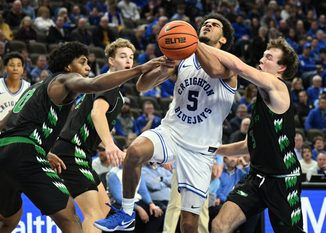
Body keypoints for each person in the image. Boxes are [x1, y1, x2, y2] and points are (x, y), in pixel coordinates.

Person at [94, 13, 236, 233]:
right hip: (172, 132)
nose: (207, 25)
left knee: (189, 225)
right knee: (134, 152)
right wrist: (162, 68)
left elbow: (215, 70)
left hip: (200, 149)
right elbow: (142, 86)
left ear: (224, 39)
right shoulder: (183, 59)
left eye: (215, 25)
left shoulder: (229, 64)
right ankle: (126, 214)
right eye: (205, 23)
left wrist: (192, 41)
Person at [0, 41, 163, 233]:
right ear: (68, 66)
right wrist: (140, 69)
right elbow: (94, 88)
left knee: (9, 219)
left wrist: (45, 151)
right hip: (35, 152)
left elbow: (4, 126)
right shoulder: (65, 79)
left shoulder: (33, 88)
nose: (87, 67)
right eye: (83, 62)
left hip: (8, 150)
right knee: (71, 217)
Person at [196, 37, 304, 232]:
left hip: (283, 180)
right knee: (220, 225)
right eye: (263, 55)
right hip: (256, 177)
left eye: (269, 57)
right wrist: (212, 149)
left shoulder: (277, 86)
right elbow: (247, 145)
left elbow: (239, 66)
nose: (262, 60)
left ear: (281, 68)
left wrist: (198, 45)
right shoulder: (262, 97)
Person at [48, 38, 137, 233]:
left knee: (105, 211)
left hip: (79, 152)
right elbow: (97, 113)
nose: (128, 61)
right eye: (122, 56)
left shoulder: (108, 87)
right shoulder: (108, 84)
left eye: (131, 57)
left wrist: (112, 147)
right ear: (111, 61)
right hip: (71, 151)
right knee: (94, 214)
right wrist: (110, 144)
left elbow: (89, 124)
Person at [0, 52, 30, 121]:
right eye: (12, 65)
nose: (15, 68)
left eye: (19, 65)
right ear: (5, 68)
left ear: (22, 69)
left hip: (19, 130)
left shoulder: (28, 88)